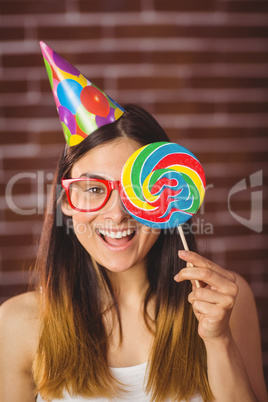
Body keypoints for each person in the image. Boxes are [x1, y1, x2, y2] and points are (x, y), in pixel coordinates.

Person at [0, 42, 267, 402]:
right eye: (94, 188)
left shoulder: (225, 303)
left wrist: (218, 341)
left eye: (134, 188)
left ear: (169, 191)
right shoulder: (17, 324)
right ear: (66, 200)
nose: (116, 213)